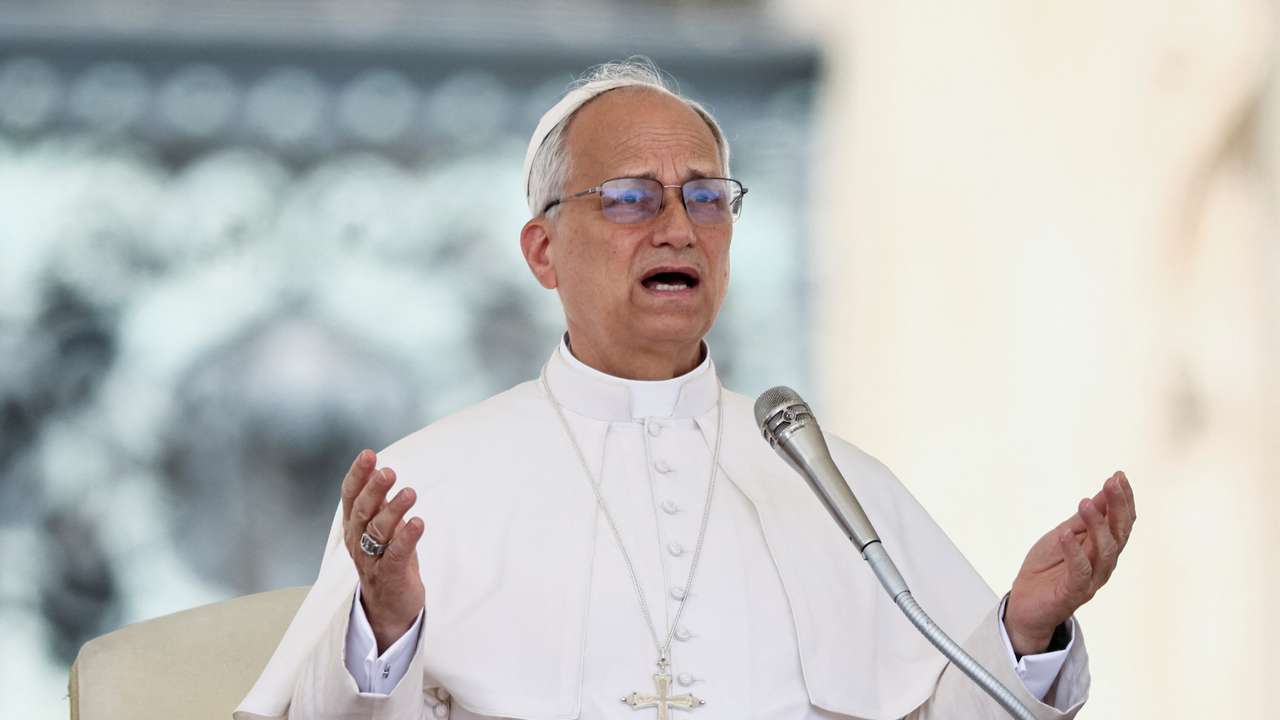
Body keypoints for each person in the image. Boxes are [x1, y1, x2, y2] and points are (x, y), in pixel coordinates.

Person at [235, 59, 1134, 720]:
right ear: (543, 251)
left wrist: (1023, 634)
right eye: (631, 197)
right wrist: (384, 628)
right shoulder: (428, 486)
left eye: (705, 198)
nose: (677, 227)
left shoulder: (838, 488)